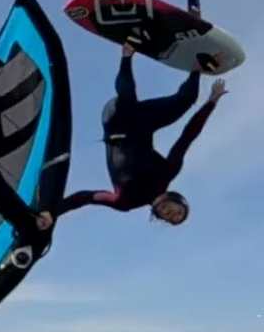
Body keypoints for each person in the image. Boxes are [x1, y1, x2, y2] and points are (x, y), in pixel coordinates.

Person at [37, 33, 228, 231]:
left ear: (161, 217)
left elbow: (86, 197)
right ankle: (197, 68)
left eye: (171, 220)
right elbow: (187, 137)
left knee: (127, 98)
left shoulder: (125, 202)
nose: (172, 215)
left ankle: (126, 54)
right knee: (185, 100)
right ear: (179, 201)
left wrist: (51, 212)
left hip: (116, 123)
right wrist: (211, 102)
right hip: (144, 123)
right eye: (178, 212)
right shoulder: (168, 172)